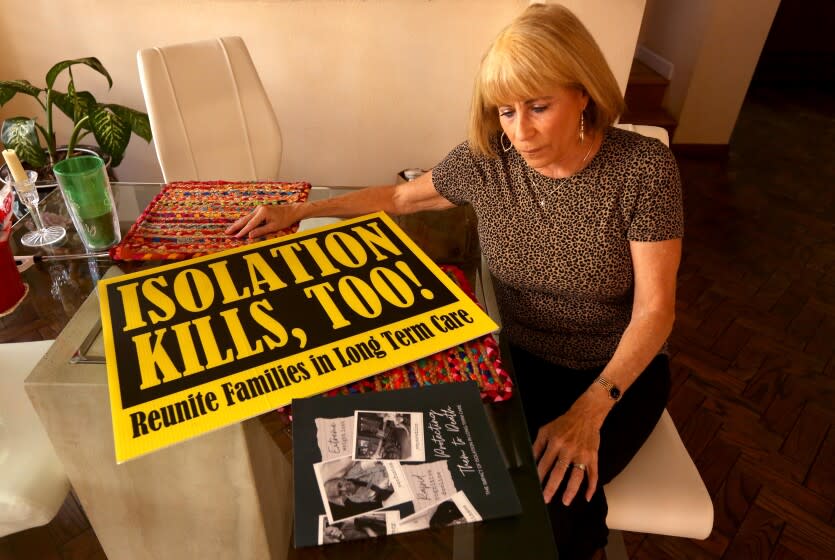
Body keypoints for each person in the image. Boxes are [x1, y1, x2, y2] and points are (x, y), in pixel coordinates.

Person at [228, 3, 682, 558]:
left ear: (583, 92)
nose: (521, 132)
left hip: (612, 373)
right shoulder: (489, 159)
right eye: (506, 112)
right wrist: (303, 209)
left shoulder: (643, 170)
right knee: (413, 473)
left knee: (552, 509)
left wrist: (589, 412)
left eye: (539, 108)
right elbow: (398, 197)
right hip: (515, 359)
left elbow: (655, 311)